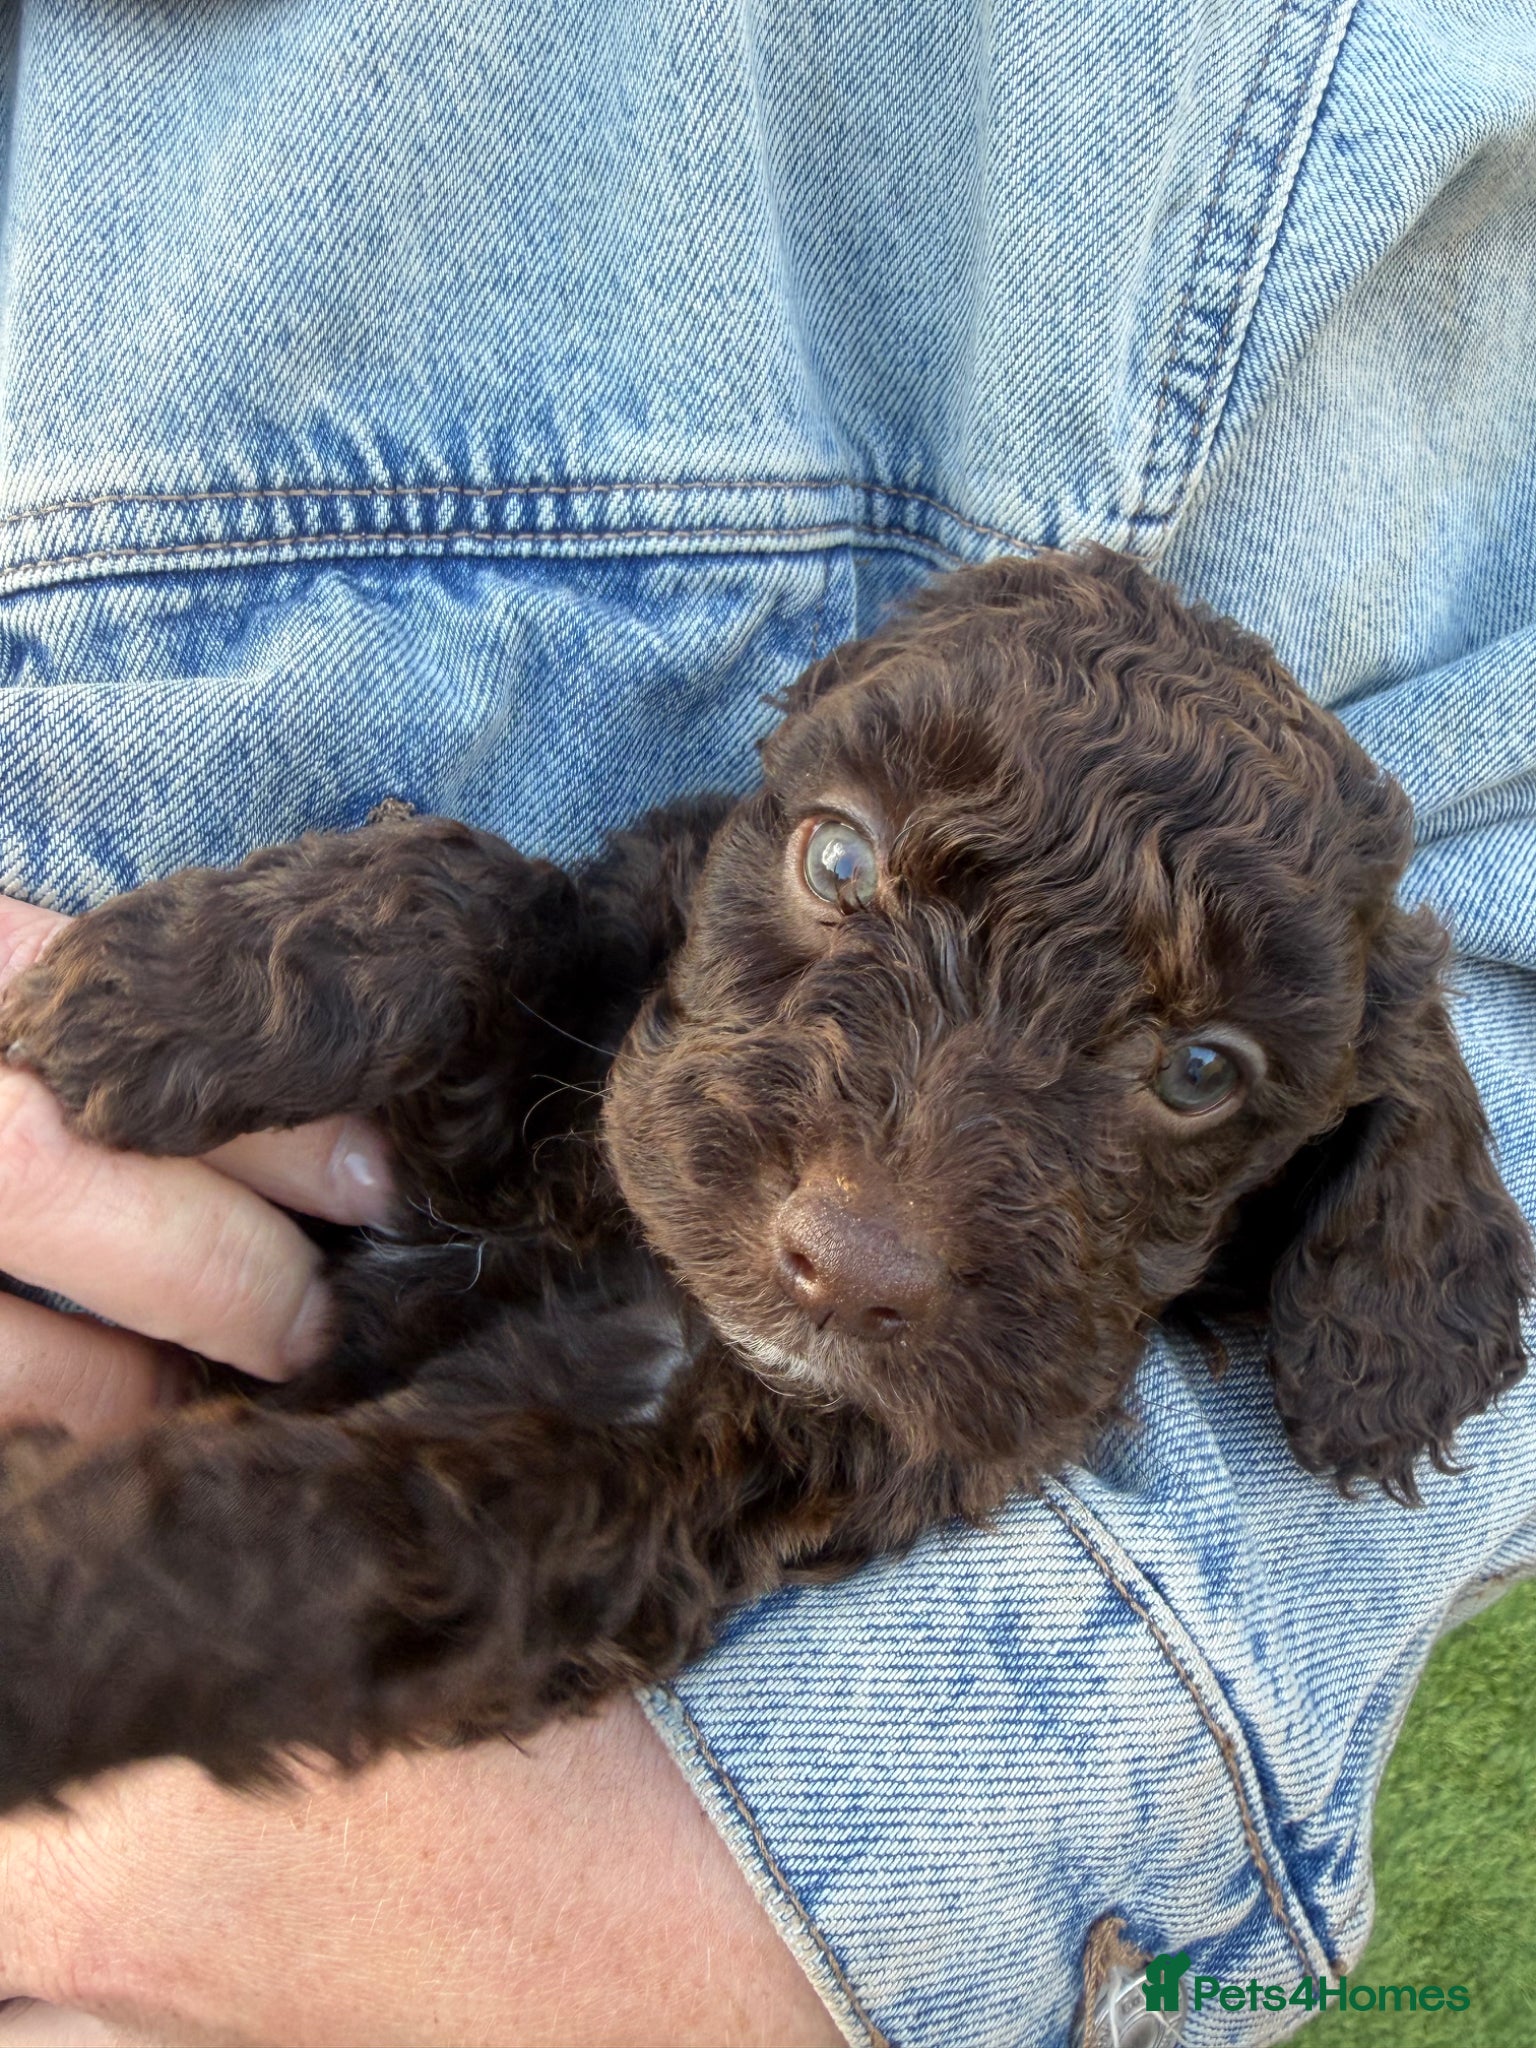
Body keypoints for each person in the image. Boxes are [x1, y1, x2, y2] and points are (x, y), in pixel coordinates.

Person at [0, 1, 1533, 2041]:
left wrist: (807, 1867)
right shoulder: (631, 943)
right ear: (763, 815)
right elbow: (543, 948)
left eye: (1185, 1071)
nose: (860, 1221)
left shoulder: (852, 1393)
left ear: (1333, 1135)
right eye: (845, 878)